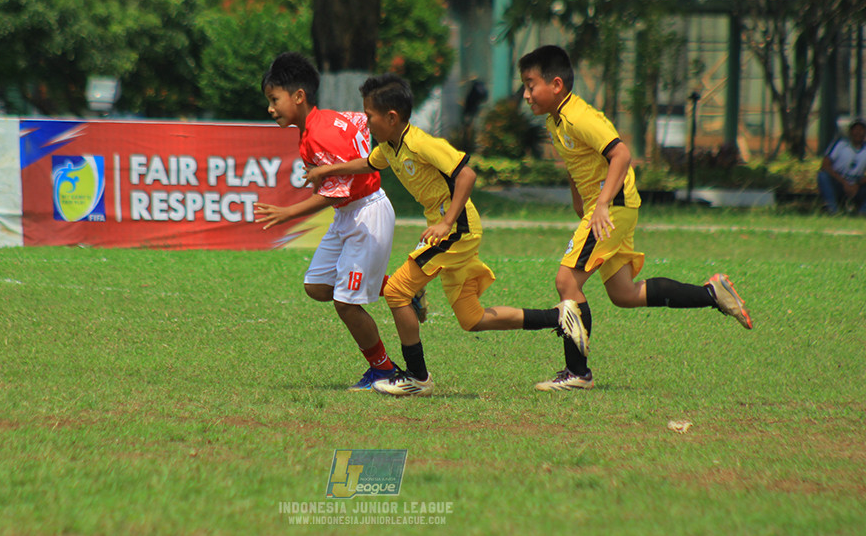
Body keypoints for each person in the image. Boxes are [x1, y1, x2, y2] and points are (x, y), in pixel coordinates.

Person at [306, 73, 589, 397]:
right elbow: (367, 164)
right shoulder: (389, 147)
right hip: (449, 229)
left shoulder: (421, 143)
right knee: (472, 318)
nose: (366, 121)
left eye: (369, 115)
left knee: (398, 291)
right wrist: (325, 171)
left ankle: (417, 377)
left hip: (457, 229)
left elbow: (467, 174)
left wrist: (446, 222)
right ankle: (559, 317)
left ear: (391, 117)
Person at [517, 45, 753, 391]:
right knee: (624, 293)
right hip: (612, 209)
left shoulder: (580, 116)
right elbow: (575, 163)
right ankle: (712, 293)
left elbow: (621, 154)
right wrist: (580, 203)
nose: (525, 95)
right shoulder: (557, 121)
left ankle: (577, 373)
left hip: (613, 209)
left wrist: (600, 206)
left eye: (530, 84)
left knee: (567, 281)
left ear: (555, 84)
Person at [254, 52, 401, 391]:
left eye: (274, 100)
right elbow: (361, 124)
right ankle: (397, 287)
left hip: (366, 213)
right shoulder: (324, 122)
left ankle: (383, 370)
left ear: (298, 96)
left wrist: (287, 213)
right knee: (317, 286)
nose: (271, 108)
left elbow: (337, 192)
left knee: (345, 303)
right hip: (348, 213)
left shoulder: (320, 134)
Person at [817, 118, 866, 215]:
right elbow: (825, 165)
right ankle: (833, 209)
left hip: (856, 185)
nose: (858, 133)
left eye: (861, 130)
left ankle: (862, 212)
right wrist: (844, 183)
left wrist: (857, 184)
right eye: (855, 129)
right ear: (850, 132)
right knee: (822, 176)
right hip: (838, 183)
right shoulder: (840, 145)